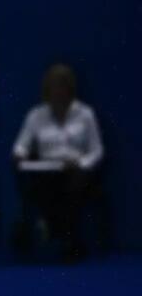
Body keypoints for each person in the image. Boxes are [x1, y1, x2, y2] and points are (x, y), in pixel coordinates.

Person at [12, 63, 104, 261]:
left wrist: (81, 164)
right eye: (53, 87)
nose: (58, 92)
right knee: (40, 184)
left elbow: (96, 151)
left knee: (74, 184)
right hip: (46, 171)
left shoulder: (85, 114)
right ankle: (61, 237)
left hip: (76, 171)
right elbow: (21, 146)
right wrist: (20, 154)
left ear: (70, 88)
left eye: (62, 86)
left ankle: (61, 237)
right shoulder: (36, 115)